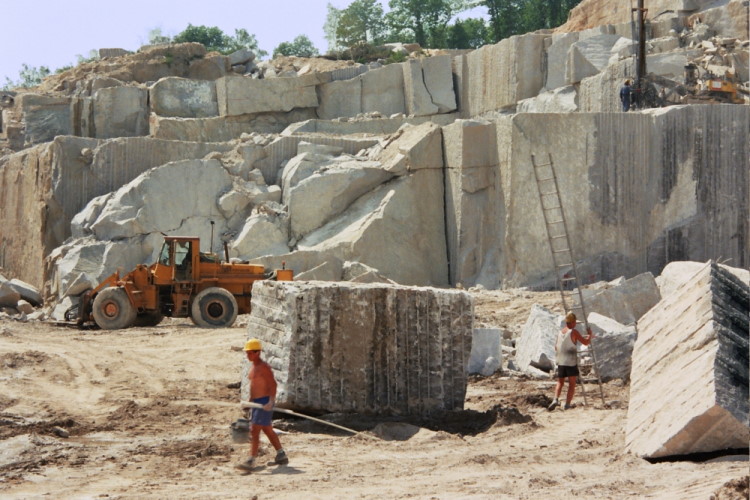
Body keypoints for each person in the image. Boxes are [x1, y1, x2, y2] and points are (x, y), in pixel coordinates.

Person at [236, 338, 288, 471]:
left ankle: (251, 460)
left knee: (255, 430)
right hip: (257, 403)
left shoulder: (264, 367)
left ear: (257, 352)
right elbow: (254, 388)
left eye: (250, 353)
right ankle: (281, 454)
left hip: (264, 402)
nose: (248, 355)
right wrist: (249, 402)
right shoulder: (253, 367)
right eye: (247, 353)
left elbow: (273, 385)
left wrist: (270, 402)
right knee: (267, 429)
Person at [548, 312, 594, 411]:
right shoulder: (573, 332)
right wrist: (590, 335)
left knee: (560, 381)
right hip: (570, 361)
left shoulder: (561, 332)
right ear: (572, 322)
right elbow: (585, 342)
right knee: (572, 383)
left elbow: (556, 347)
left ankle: (555, 399)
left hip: (561, 360)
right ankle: (567, 404)